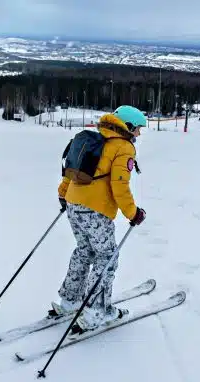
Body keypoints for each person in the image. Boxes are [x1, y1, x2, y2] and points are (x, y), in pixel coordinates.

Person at [50, 105, 147, 332]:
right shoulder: (123, 147)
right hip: (95, 209)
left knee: (84, 250)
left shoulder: (95, 137)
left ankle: (70, 302)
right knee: (107, 257)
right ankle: (96, 311)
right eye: (138, 129)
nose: (139, 134)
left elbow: (72, 170)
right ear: (129, 126)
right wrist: (133, 213)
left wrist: (63, 193)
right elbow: (119, 185)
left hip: (74, 203)